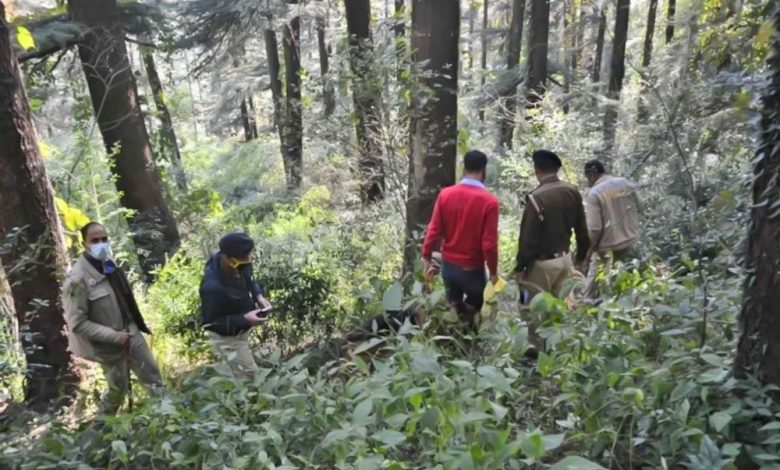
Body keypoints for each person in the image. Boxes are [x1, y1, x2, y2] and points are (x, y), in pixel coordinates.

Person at [63, 222, 163, 414]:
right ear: (84, 244)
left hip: (131, 331)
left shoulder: (109, 264)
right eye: (95, 240)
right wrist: (114, 336)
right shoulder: (76, 280)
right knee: (118, 391)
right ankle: (103, 429)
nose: (101, 243)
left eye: (104, 239)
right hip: (107, 345)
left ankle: (170, 421)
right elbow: (77, 323)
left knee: (153, 378)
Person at [514, 150, 590, 352]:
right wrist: (579, 258)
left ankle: (537, 350)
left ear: (537, 170)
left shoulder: (536, 198)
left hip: (541, 264)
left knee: (530, 306)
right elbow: (582, 230)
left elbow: (528, 239)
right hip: (565, 259)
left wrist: (521, 266)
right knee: (559, 305)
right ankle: (557, 350)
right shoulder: (572, 192)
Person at [421, 150, 500, 330]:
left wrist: (426, 256)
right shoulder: (489, 201)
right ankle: (470, 349)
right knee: (476, 311)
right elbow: (489, 244)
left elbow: (433, 229)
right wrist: (494, 272)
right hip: (472, 269)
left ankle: (450, 345)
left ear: (464, 169)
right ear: (483, 170)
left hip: (449, 267)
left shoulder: (446, 195)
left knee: (452, 309)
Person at [200, 232, 272, 377]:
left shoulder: (240, 262)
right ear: (227, 258)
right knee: (251, 378)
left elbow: (250, 279)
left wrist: (258, 295)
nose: (246, 262)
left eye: (247, 258)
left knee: (241, 375)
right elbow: (211, 323)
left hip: (241, 330)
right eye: (241, 260)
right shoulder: (212, 287)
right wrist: (245, 319)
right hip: (227, 339)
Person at [582, 160, 641, 301]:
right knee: (626, 277)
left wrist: (591, 249)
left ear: (591, 174)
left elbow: (595, 228)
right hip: (630, 240)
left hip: (607, 247)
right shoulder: (625, 183)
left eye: (587, 177)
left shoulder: (594, 194)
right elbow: (640, 205)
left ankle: (587, 306)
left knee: (594, 280)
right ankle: (627, 306)